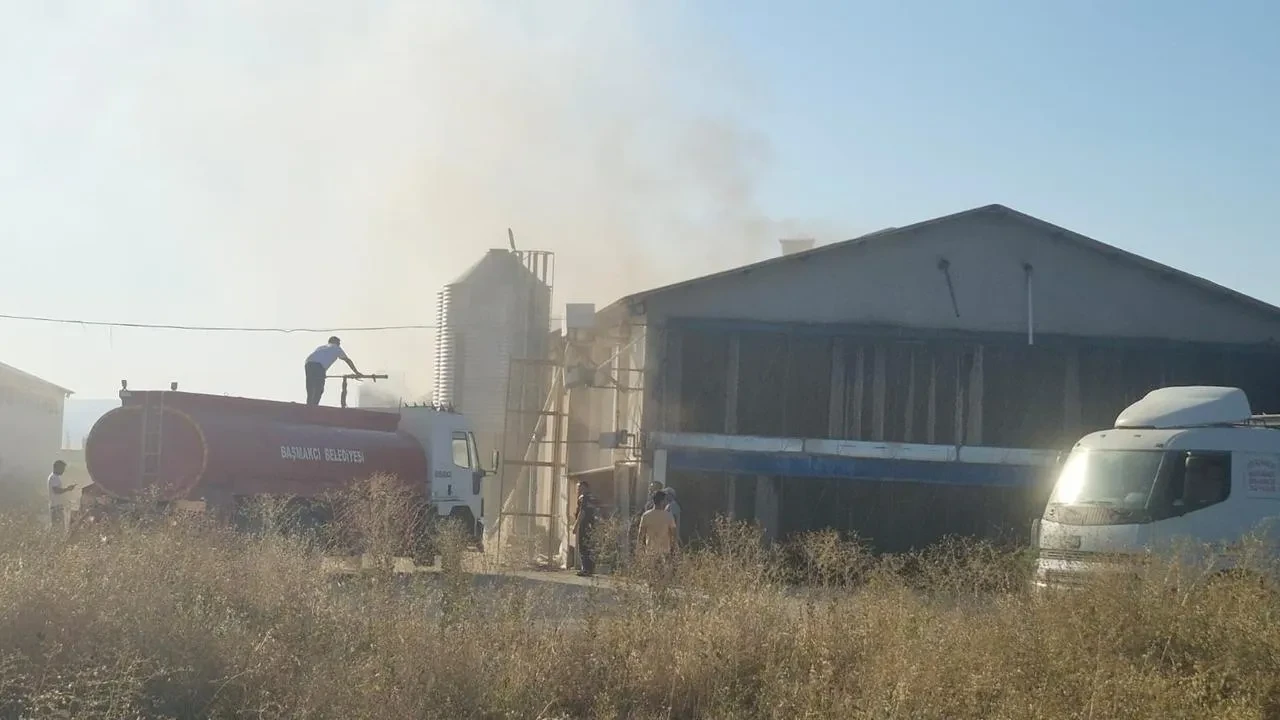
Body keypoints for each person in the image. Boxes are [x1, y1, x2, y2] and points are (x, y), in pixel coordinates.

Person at [304, 336, 361, 406]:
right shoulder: (336, 348)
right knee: (318, 388)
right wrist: (356, 372)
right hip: (318, 366)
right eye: (338, 343)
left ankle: (308, 406)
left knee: (311, 386)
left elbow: (320, 357)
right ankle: (314, 406)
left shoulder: (321, 347)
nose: (339, 344)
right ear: (335, 342)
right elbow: (347, 360)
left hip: (308, 363)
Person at [573, 480, 598, 577]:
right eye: (578, 488)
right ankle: (590, 569)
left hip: (584, 525)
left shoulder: (583, 498)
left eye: (580, 488)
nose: (579, 490)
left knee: (583, 546)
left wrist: (576, 525)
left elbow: (582, 512)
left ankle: (585, 569)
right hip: (591, 526)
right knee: (589, 546)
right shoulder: (593, 497)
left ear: (585, 488)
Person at [47, 460, 77, 531]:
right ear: (57, 468)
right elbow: (56, 491)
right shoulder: (54, 478)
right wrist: (68, 489)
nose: (63, 470)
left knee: (57, 527)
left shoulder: (53, 477)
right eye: (62, 468)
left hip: (56, 505)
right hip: (56, 506)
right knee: (58, 528)